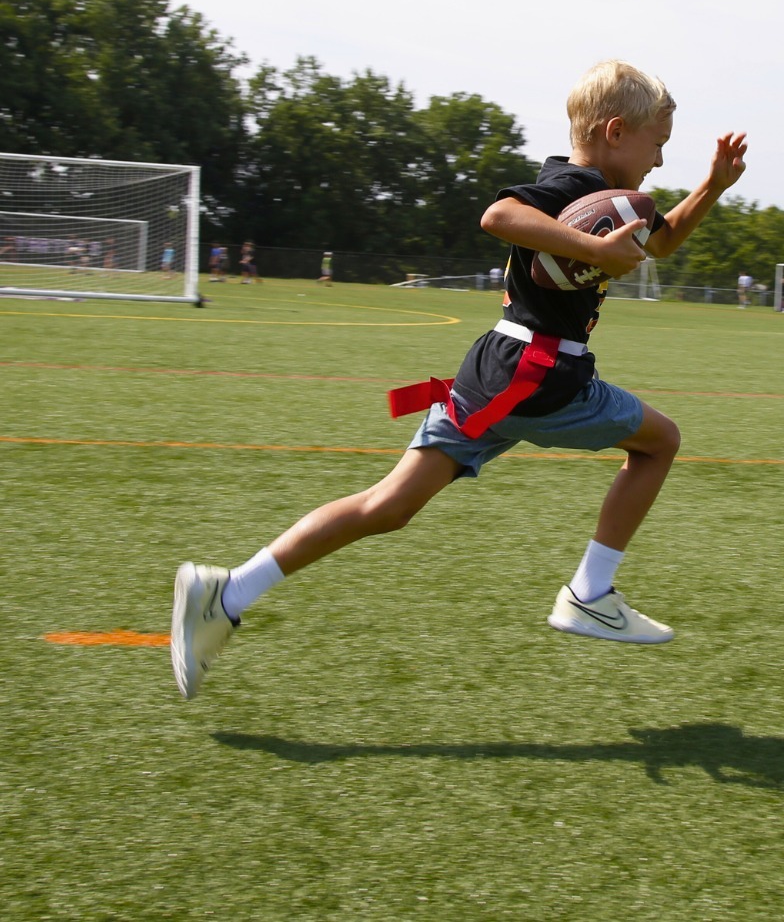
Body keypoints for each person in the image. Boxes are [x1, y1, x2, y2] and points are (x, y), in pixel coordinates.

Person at [171, 59, 747, 698]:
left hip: (495, 371)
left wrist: (713, 187)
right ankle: (589, 594)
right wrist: (593, 252)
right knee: (659, 441)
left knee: (386, 507)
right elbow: (497, 217)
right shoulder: (566, 186)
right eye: (658, 147)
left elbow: (659, 245)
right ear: (616, 132)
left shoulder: (612, 202)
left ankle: (226, 591)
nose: (660, 164)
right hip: (540, 374)